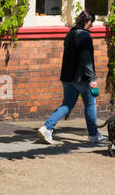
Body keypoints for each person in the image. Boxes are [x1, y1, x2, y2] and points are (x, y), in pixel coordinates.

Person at [37, 11, 103, 145]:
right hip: (82, 78)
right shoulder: (85, 36)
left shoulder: (70, 34)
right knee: (90, 104)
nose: (92, 26)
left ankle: (47, 128)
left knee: (67, 104)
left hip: (67, 77)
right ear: (88, 21)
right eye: (92, 23)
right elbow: (86, 59)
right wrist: (92, 79)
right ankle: (93, 135)